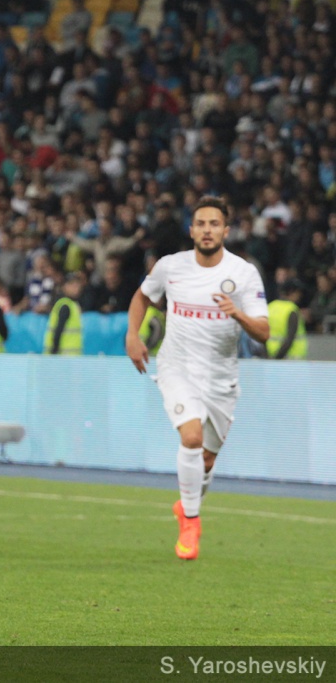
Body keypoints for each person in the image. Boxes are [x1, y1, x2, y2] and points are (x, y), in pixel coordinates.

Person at [126, 197, 269, 560]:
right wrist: (132, 335)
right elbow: (142, 298)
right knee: (191, 437)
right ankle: (191, 522)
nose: (207, 230)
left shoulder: (243, 273)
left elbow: (264, 332)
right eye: (201, 224)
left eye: (214, 224)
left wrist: (238, 314)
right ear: (191, 231)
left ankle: (187, 505)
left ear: (226, 231)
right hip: (177, 367)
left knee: (205, 461)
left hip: (221, 376)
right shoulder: (170, 266)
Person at [45, 272, 84, 355]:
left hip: (68, 357)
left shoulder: (71, 304)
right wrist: (54, 351)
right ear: (64, 286)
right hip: (64, 357)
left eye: (77, 285)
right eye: (72, 285)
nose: (76, 288)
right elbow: (58, 329)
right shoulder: (66, 306)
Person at [266, 281, 307, 359]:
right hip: (291, 359)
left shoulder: (270, 307)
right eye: (298, 293)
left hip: (270, 356)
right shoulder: (291, 310)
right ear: (292, 292)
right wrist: (277, 358)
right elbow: (290, 339)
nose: (300, 296)